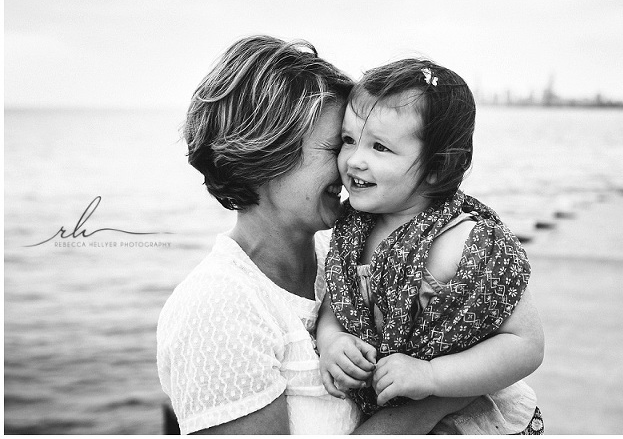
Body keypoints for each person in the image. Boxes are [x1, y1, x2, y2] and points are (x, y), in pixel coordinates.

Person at [156, 36, 474, 434]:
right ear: (267, 157)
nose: (351, 165)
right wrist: (447, 395)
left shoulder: (350, 251)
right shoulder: (216, 307)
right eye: (338, 144)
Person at [318, 58, 545, 434]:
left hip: (467, 416)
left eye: (380, 147)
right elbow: (338, 300)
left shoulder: (465, 242)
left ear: (437, 167)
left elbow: (526, 344)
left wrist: (432, 375)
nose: (354, 160)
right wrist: (332, 340)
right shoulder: (353, 228)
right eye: (347, 140)